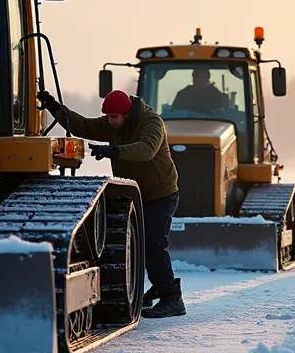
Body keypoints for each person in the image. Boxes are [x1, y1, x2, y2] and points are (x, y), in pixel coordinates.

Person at [36, 88, 186, 318]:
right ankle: (161, 284)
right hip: (136, 192)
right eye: (107, 117)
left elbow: (147, 150)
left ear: (126, 113)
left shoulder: (151, 122)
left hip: (160, 194)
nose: (110, 122)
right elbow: (84, 125)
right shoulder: (113, 122)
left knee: (154, 245)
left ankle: (172, 299)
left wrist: (114, 151)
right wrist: (54, 107)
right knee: (140, 245)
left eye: (114, 117)